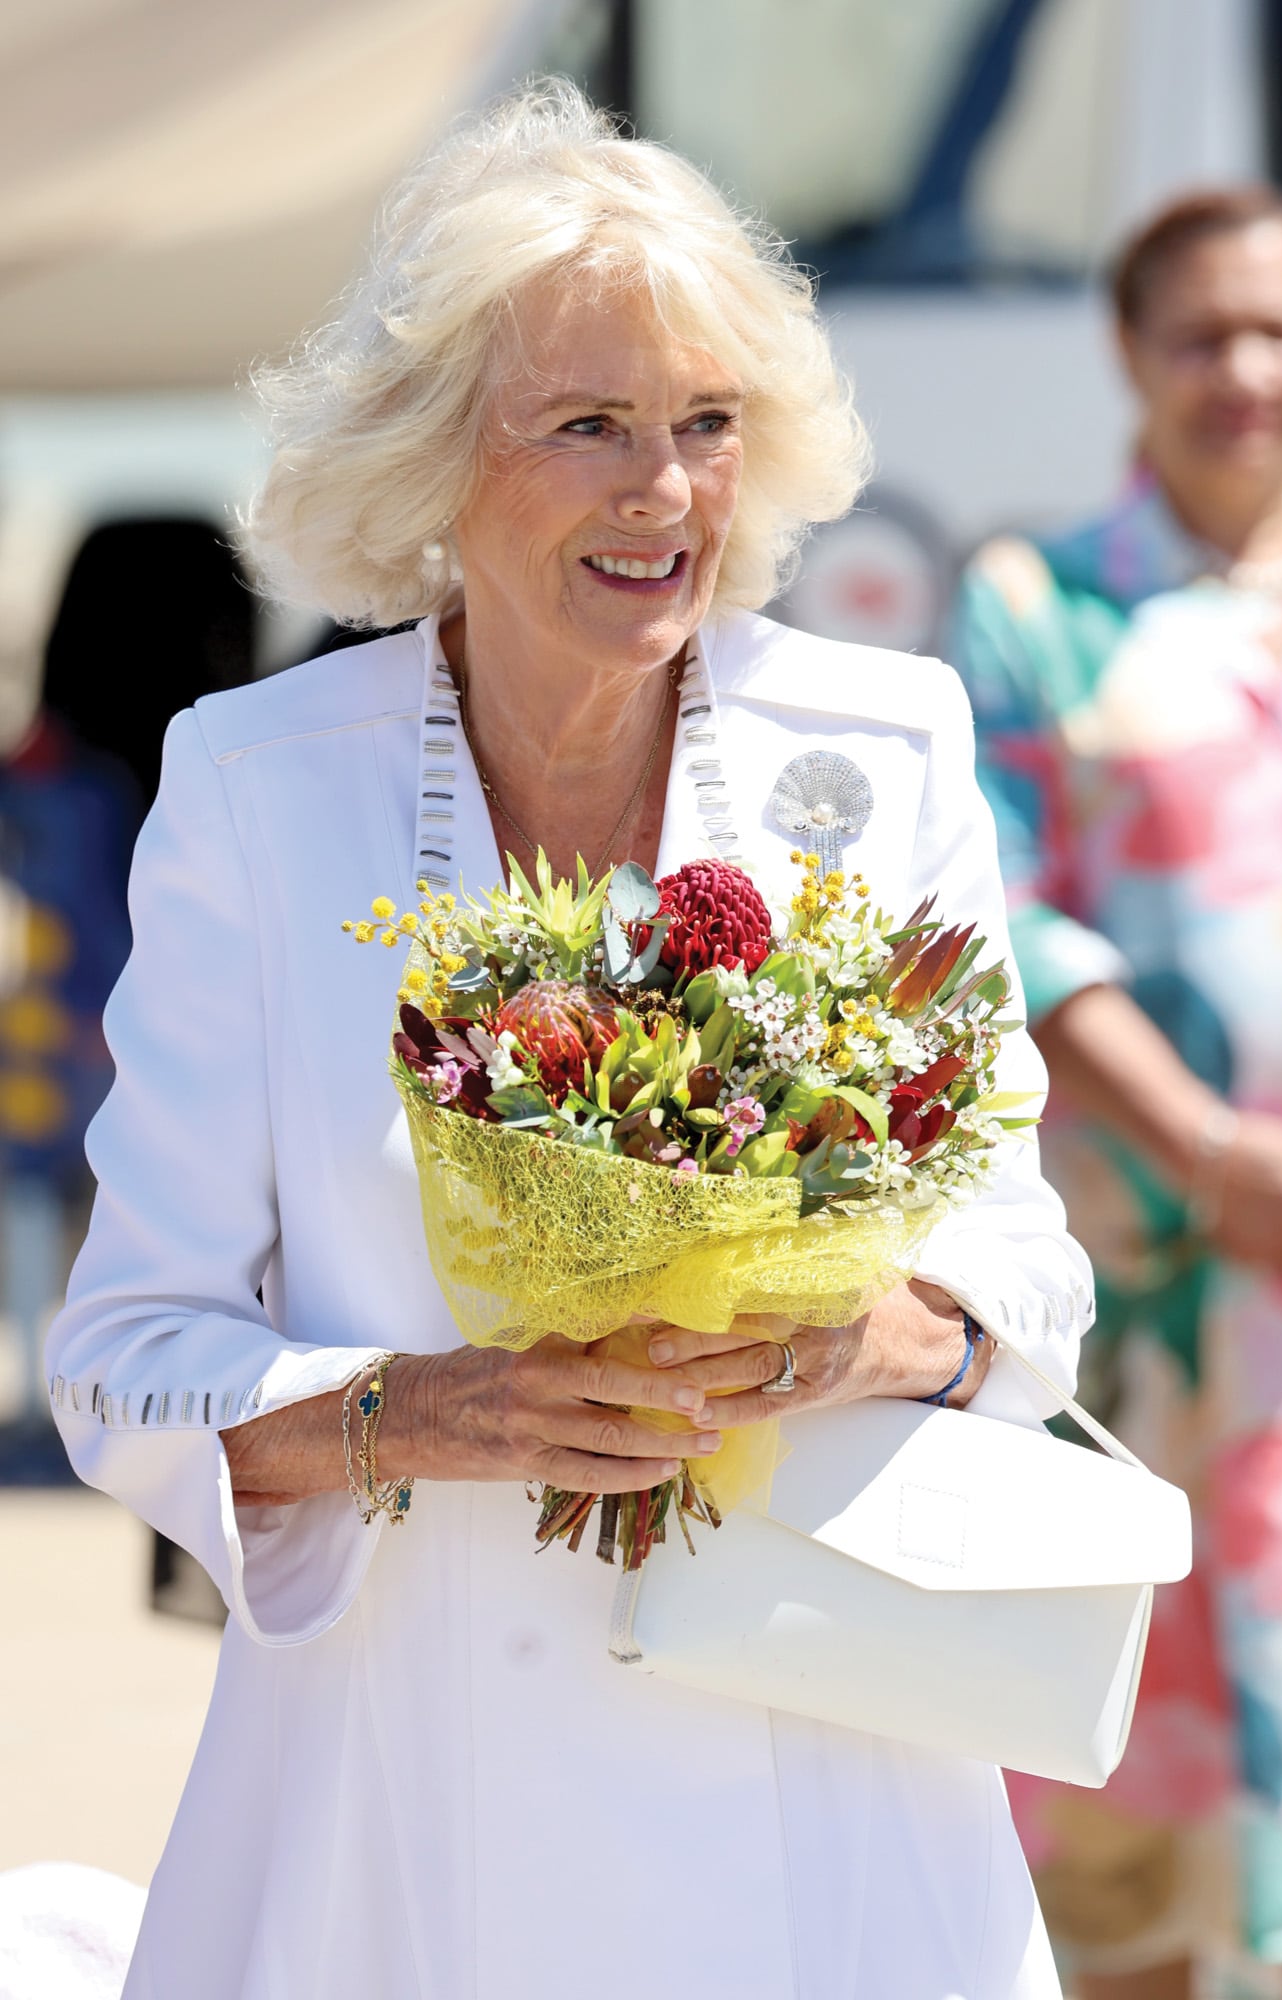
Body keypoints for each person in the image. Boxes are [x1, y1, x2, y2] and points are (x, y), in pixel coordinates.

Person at [47, 83, 1092, 1999]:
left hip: (828, 1786)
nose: (664, 491)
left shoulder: (883, 744)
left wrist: (881, 1334)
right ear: (441, 457)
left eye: (706, 426)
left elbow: (1022, 1263)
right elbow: (125, 1362)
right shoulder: (258, 787)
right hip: (409, 1812)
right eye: (590, 425)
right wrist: (425, 1417)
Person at [950, 186, 1282, 1998]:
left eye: (1279, 329)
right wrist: (1212, 1146)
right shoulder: (1033, 612)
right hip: (1138, 1315)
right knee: (1113, 1845)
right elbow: (994, 913)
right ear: (1127, 355)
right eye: (1201, 334)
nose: (1243, 371)